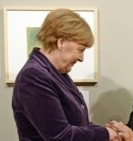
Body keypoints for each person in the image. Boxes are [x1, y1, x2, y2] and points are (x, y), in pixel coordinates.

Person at [12, 8, 118, 141]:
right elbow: (61, 136)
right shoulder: (33, 76)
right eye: (80, 50)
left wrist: (106, 130)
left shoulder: (56, 73)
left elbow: (77, 124)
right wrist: (105, 134)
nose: (81, 58)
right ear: (61, 42)